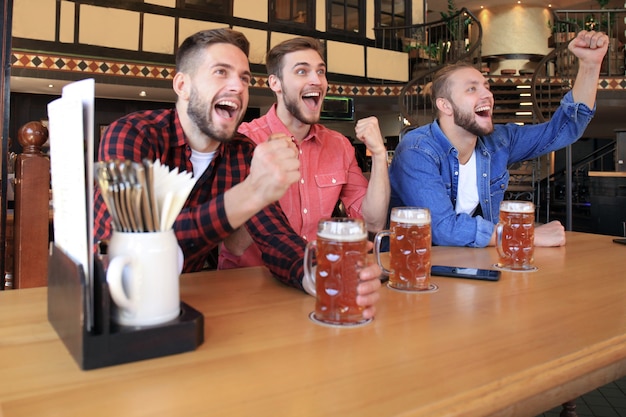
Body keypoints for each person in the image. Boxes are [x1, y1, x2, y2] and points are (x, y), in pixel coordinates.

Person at [93, 28, 381, 318]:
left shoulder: (241, 150)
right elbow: (129, 241)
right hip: (110, 303)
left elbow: (275, 236)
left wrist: (318, 275)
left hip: (187, 302)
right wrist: (250, 194)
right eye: (221, 72)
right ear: (183, 85)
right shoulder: (135, 134)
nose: (237, 87)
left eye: (244, 78)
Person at [388, 30, 609, 248]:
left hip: (475, 264)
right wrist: (524, 235)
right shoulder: (417, 150)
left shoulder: (499, 140)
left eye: (486, 87)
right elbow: (443, 229)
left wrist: (590, 66)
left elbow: (564, 129)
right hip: (415, 268)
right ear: (445, 106)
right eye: (471, 89)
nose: (488, 95)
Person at [218, 36, 390, 269]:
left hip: (317, 276)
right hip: (249, 282)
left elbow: (373, 223)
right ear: (275, 83)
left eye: (320, 72)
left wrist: (379, 154)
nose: (316, 80)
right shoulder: (242, 140)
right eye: (302, 71)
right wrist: (265, 185)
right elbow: (233, 245)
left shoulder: (339, 145)